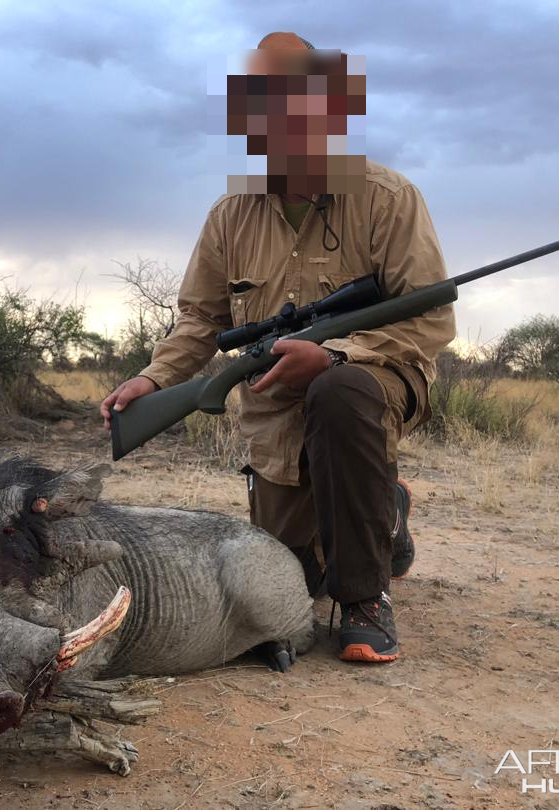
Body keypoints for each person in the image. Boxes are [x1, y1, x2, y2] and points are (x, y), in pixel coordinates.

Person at [100, 32, 455, 663]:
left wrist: (337, 354)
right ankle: (385, 512)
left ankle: (365, 600)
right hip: (274, 412)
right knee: (288, 582)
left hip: (375, 383)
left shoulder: (390, 198)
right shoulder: (229, 213)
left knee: (338, 392)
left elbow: (431, 323)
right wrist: (153, 382)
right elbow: (200, 323)